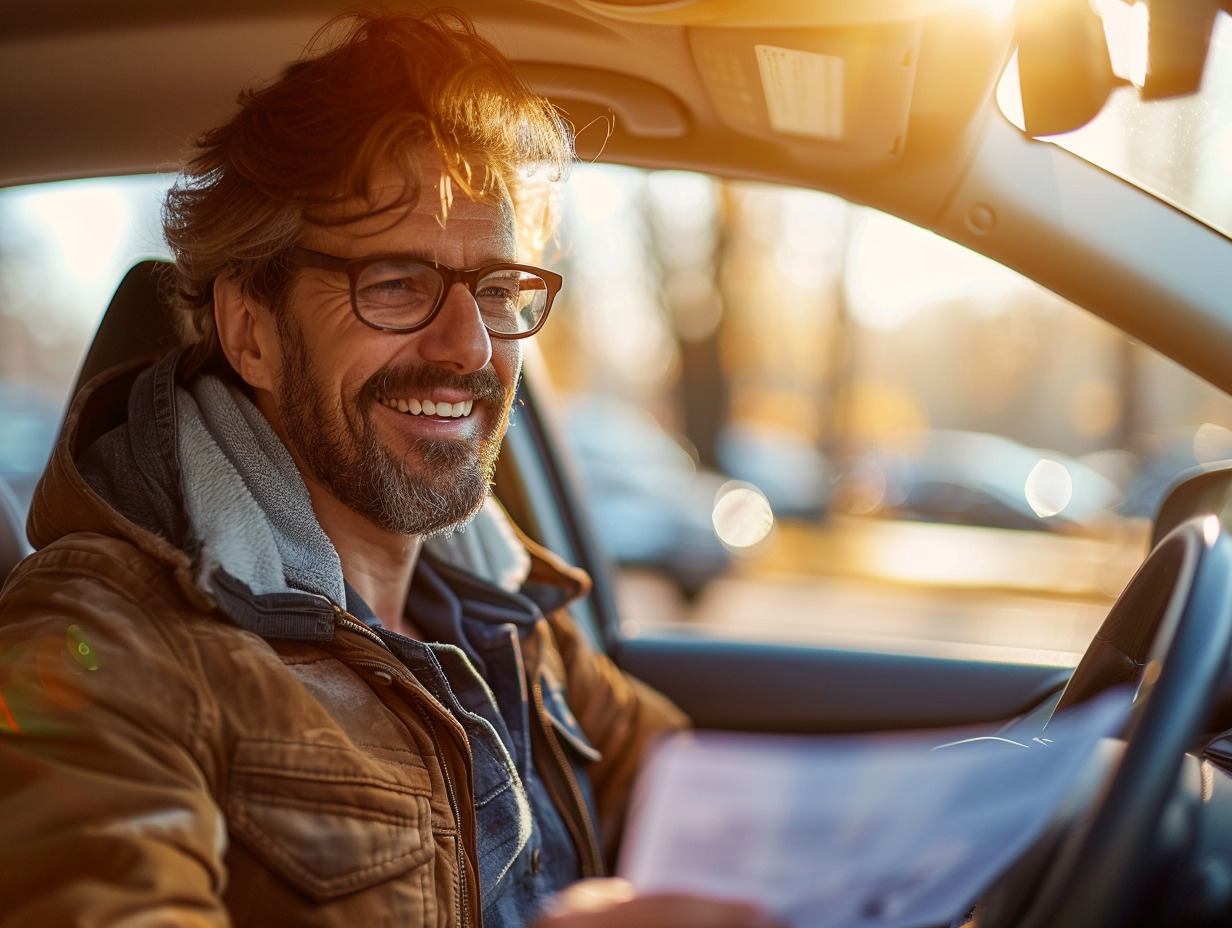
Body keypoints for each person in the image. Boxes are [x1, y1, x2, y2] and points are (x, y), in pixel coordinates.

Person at [0, 9, 776, 927]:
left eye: (497, 289)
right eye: (397, 284)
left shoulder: (512, 610)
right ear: (250, 327)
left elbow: (689, 799)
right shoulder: (99, 646)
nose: (468, 346)